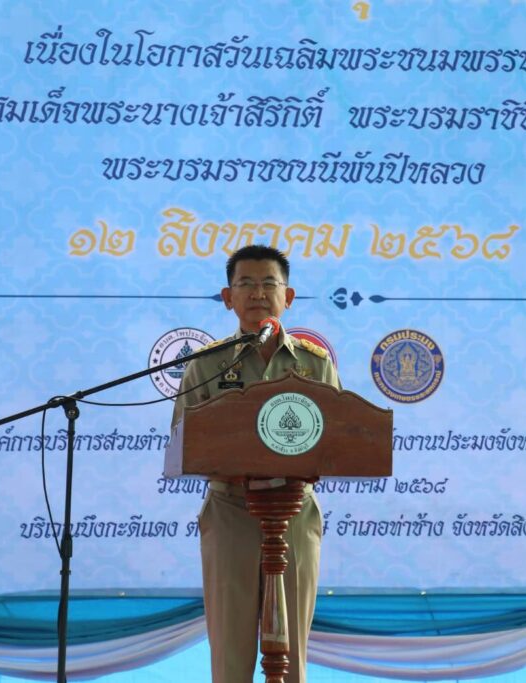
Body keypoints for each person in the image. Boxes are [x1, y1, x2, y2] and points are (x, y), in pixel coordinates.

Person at [171, 244, 339, 683]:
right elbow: (184, 442)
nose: (258, 293)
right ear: (228, 297)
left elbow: (339, 438)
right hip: (232, 511)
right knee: (231, 650)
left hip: (294, 510)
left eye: (269, 283)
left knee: (293, 652)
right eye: (245, 284)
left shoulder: (315, 363)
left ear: (289, 296)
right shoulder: (207, 364)